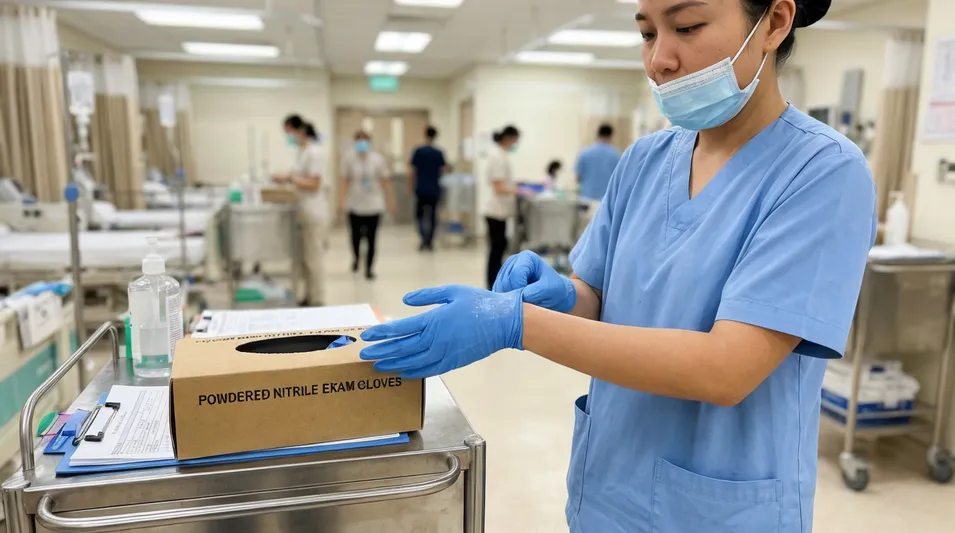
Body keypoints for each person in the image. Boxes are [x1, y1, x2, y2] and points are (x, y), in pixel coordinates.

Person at [358, 1, 874, 532]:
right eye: (648, 34)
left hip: (717, 509)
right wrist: (561, 295)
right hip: (608, 490)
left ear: (774, 22)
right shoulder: (645, 161)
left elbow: (727, 369)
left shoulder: (822, 172)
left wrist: (515, 323)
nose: (659, 60)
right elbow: (597, 292)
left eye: (688, 27)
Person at [272, 114, 327, 306]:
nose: (288, 136)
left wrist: (289, 179)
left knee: (313, 259)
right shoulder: (301, 152)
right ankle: (308, 297)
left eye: (289, 132)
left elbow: (314, 183)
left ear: (300, 130)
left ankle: (318, 299)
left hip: (314, 212)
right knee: (304, 261)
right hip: (302, 211)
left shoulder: (314, 152)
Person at [337, 131, 396, 280]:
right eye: (359, 140)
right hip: (355, 203)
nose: (362, 143)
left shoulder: (377, 159)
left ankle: (369, 268)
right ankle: (356, 258)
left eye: (365, 140)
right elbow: (344, 181)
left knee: (372, 238)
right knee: (355, 237)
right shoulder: (348, 159)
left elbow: (385, 181)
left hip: (374, 204)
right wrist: (341, 202)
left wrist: (391, 201)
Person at [484, 125, 520, 289]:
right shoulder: (498, 157)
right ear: (509, 138)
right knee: (496, 250)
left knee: (500, 248)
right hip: (495, 211)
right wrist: (518, 190)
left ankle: (495, 283)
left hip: (500, 212)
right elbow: (498, 187)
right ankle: (493, 284)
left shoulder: (501, 155)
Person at [408, 126, 448, 251]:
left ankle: (422, 238)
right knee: (433, 215)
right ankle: (429, 240)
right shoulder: (438, 152)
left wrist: (410, 185)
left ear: (425, 135)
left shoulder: (418, 151)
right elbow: (443, 170)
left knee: (419, 214)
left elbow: (412, 171)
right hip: (434, 188)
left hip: (421, 188)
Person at [575, 123, 621, 202]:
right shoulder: (615, 154)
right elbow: (619, 180)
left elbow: (577, 178)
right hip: (606, 201)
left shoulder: (585, 152)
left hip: (586, 199)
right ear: (611, 136)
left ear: (597, 135)